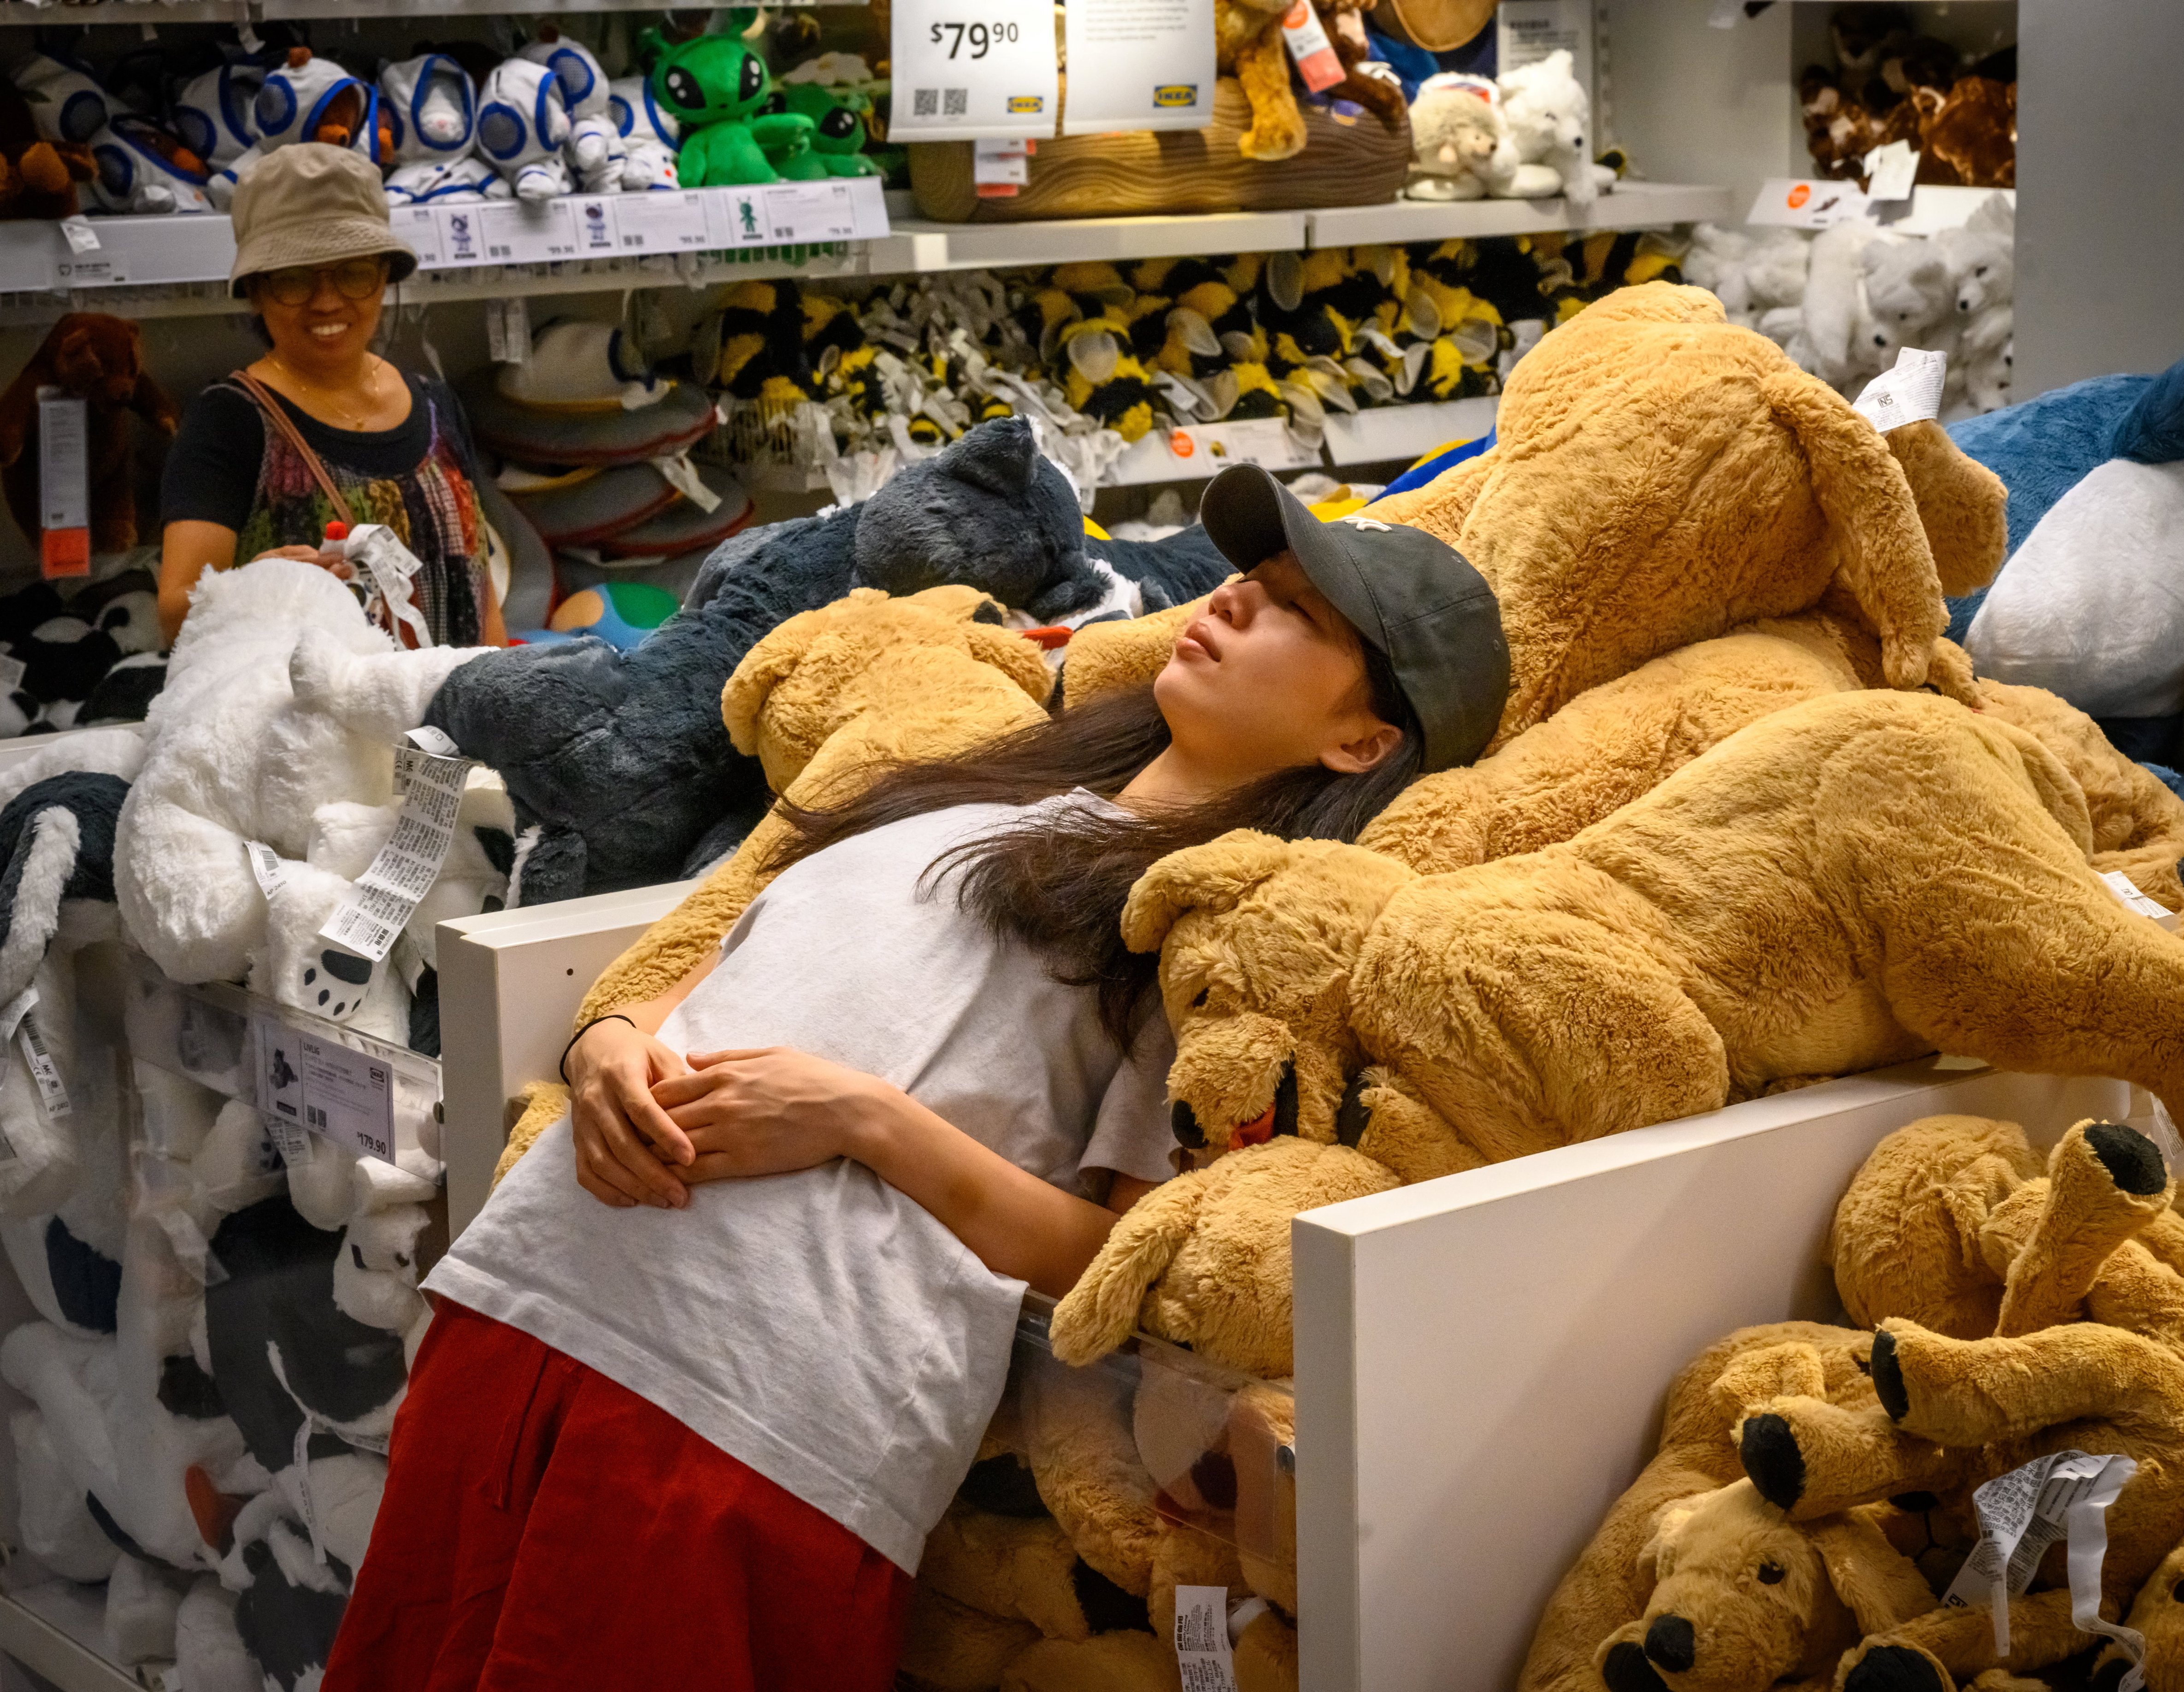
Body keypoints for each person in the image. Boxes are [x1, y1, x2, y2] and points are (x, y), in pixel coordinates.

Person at [324, 463, 1512, 1692]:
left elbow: (1122, 1266)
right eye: (1246, 581)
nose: (1228, 604)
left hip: (752, 1420)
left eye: (1293, 614)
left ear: (1363, 738)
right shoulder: (988, 786)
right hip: (533, 1304)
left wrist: (864, 1120)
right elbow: (716, 968)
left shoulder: (1222, 941)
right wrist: (604, 1047)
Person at [156, 144, 506, 648]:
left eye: (354, 272)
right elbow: (173, 620)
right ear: (256, 292)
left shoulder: (437, 406)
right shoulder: (230, 421)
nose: (327, 301)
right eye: (293, 279)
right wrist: (247, 588)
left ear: (384, 275)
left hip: (451, 720)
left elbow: (478, 588)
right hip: (308, 724)